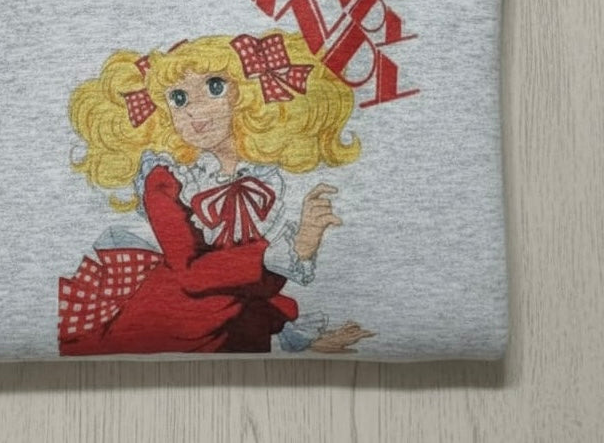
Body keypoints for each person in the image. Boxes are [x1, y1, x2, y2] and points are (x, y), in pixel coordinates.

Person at [58, 30, 375, 355]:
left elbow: (242, 280)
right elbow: (193, 275)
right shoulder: (164, 180)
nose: (195, 112)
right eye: (178, 98)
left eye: (214, 87)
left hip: (232, 334)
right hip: (169, 328)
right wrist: (287, 251)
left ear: (247, 95)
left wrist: (294, 327)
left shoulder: (259, 178)